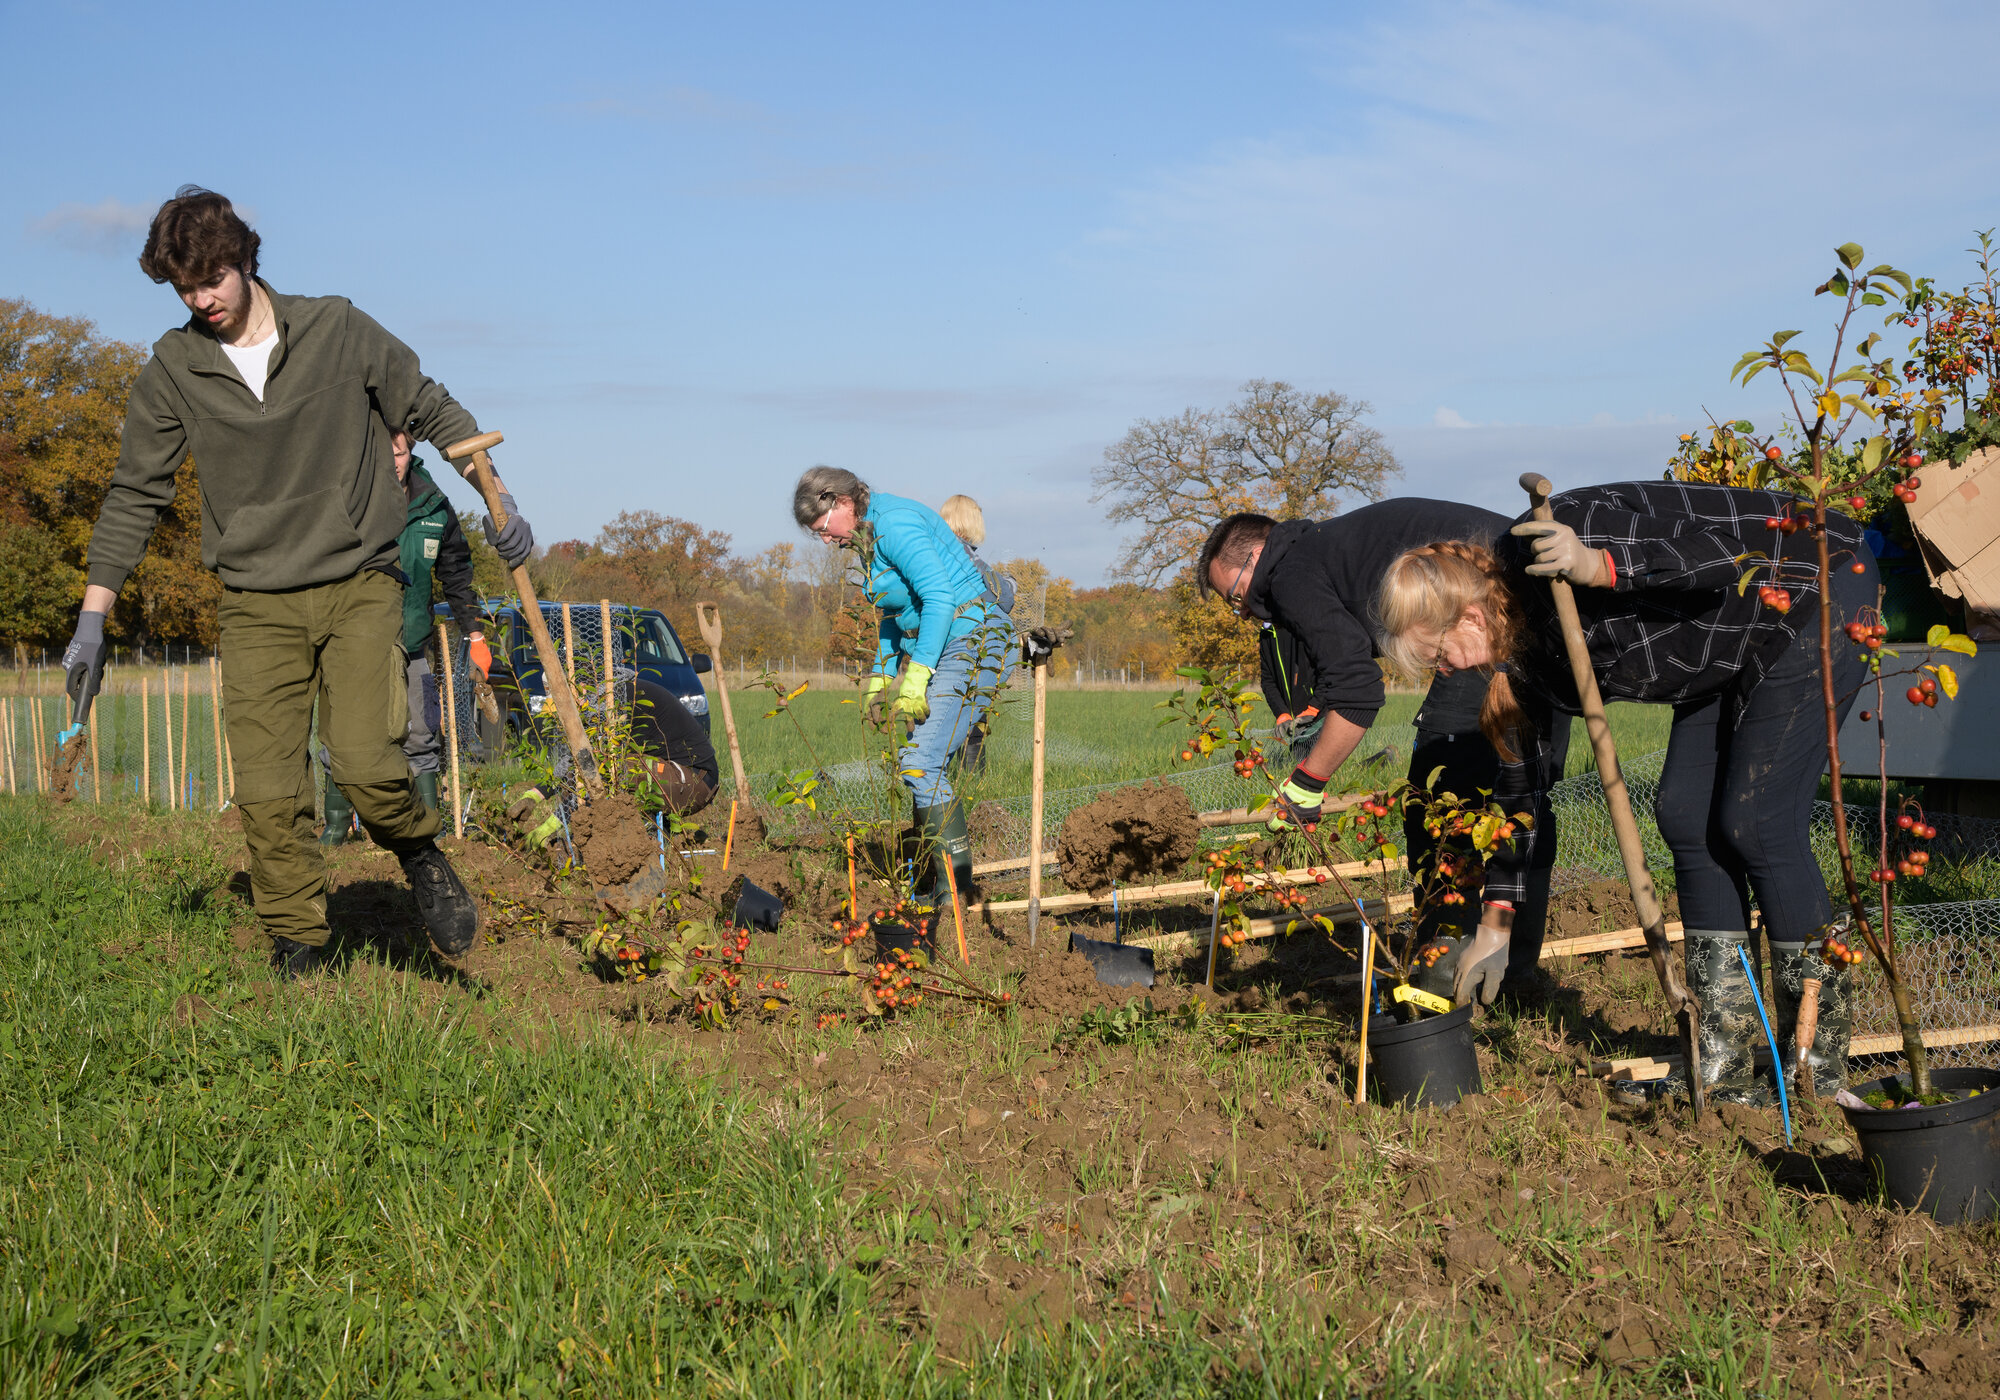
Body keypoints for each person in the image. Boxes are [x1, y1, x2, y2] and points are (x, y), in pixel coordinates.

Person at [59, 187, 537, 979]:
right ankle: (299, 944)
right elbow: (134, 493)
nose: (200, 299)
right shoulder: (175, 368)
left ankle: (417, 850)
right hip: (254, 598)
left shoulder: (334, 328)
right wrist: (91, 620)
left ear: (244, 258)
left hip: (357, 580)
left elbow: (427, 402)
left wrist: (501, 499)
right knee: (270, 790)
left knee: (365, 765)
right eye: (183, 287)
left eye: (211, 277)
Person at [1374, 480, 1876, 1104]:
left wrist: (1602, 566)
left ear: (1470, 616)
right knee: (1687, 815)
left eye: (1438, 654)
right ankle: (1726, 1064)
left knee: (1758, 822)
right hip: (1721, 647)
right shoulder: (1522, 658)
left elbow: (1739, 551)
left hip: (1812, 589)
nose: (1444, 671)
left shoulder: (1563, 538)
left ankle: (1815, 1071)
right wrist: (1496, 924)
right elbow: (1518, 787)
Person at [1198, 501, 1569, 1007]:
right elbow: (1343, 671)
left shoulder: (1292, 572)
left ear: (1257, 556)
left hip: (1496, 622)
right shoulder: (1329, 551)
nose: (1243, 611)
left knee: (1444, 800)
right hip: (1536, 617)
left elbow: (1359, 691)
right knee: (1520, 795)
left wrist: (1307, 784)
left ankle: (1450, 980)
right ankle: (1507, 976)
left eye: (1236, 595)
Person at [795, 467, 1015, 906]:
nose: (824, 540)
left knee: (919, 763)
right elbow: (896, 613)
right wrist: (879, 680)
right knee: (921, 765)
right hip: (948, 642)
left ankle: (956, 889)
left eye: (822, 528)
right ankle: (938, 881)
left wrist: (916, 676)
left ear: (839, 502)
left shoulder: (895, 525)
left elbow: (938, 597)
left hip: (974, 637)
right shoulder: (867, 536)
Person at [321, 420, 484, 843]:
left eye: (399, 453)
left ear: (410, 452)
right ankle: (336, 830)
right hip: (356, 646)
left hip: (413, 645)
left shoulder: (433, 506)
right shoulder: (349, 500)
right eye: (384, 453)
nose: (392, 462)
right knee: (343, 738)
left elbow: (457, 573)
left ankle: (426, 830)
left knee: (420, 735)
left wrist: (476, 635)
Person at [937, 493, 1015, 774]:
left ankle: (940, 784)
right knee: (971, 718)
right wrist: (1009, 584)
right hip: (969, 644)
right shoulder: (970, 560)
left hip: (939, 644)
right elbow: (1003, 600)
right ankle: (971, 788)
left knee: (941, 715)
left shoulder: (935, 553)